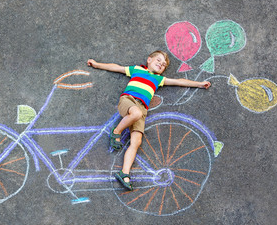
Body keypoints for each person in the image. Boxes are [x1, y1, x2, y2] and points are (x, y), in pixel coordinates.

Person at [87, 51, 211, 191]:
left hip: (142, 108)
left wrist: (199, 84)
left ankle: (124, 173)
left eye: (163, 64)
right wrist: (97, 65)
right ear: (149, 60)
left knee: (137, 141)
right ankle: (116, 131)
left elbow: (179, 82)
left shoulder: (159, 79)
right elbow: (117, 67)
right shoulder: (137, 69)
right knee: (136, 113)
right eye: (158, 60)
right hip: (128, 100)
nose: (160, 64)